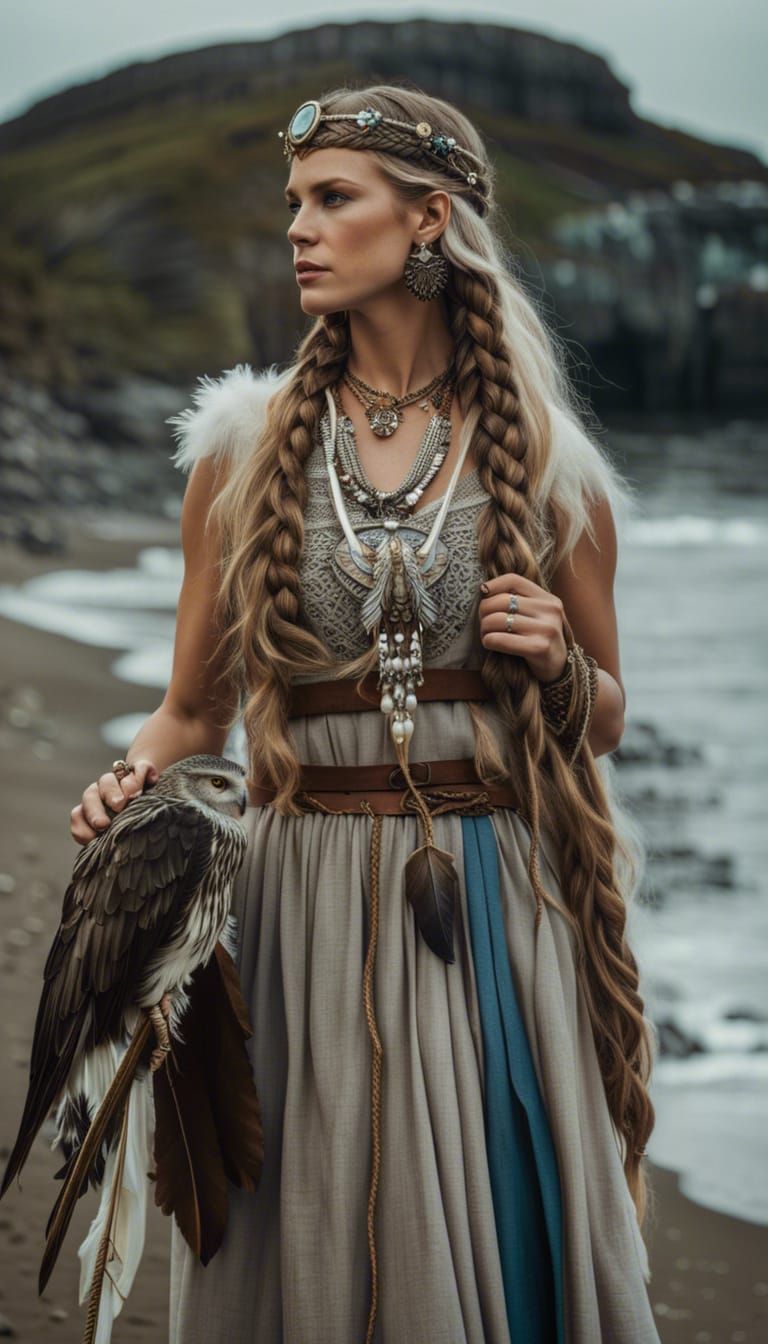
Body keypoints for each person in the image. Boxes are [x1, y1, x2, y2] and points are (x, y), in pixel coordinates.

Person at [71, 84, 661, 1344]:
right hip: (298, 899)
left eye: (333, 198)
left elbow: (607, 714)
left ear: (428, 218)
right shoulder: (242, 455)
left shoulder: (546, 461)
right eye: (294, 203)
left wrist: (558, 661)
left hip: (490, 897)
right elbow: (191, 711)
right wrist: (130, 782)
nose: (299, 228)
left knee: (497, 1221)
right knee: (318, 1229)